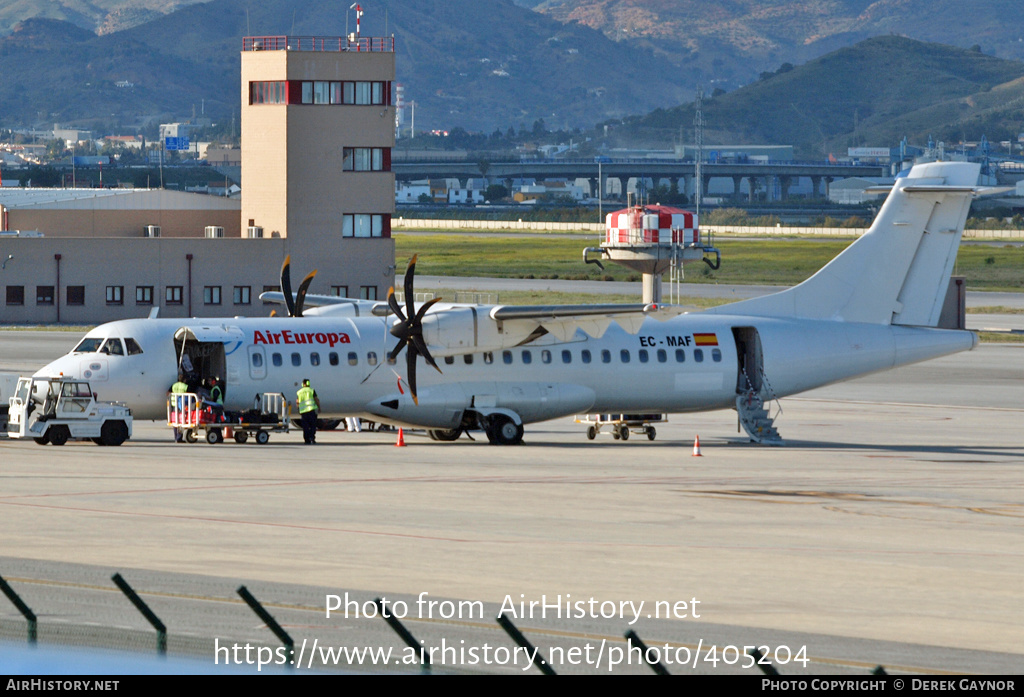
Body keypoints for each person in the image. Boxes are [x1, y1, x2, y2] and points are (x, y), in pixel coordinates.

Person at [296, 378, 320, 445]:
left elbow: (297, 402)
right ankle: (312, 438)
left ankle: (306, 440)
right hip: (311, 411)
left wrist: (298, 409)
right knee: (313, 426)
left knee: (305, 427)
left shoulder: (299, 392)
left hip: (303, 412)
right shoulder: (311, 390)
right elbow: (316, 399)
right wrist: (319, 407)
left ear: (303, 384)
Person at [169, 377, 189, 442]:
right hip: (182, 405)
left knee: (175, 421)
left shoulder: (174, 385)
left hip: (174, 405)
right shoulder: (185, 386)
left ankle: (175, 437)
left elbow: (168, 393)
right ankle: (179, 437)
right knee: (181, 421)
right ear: (184, 380)